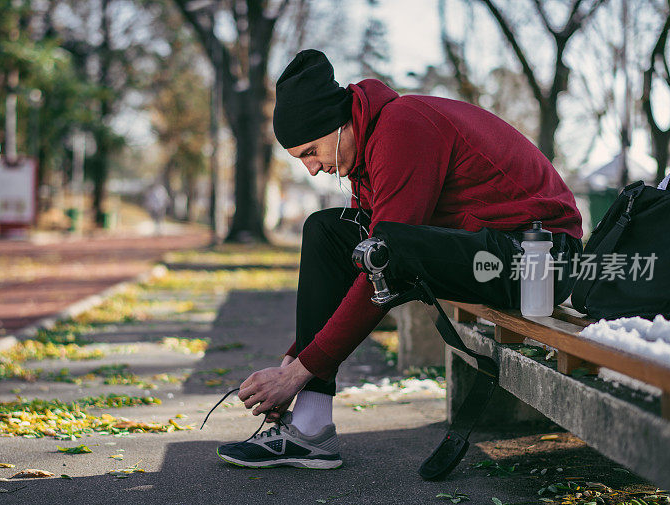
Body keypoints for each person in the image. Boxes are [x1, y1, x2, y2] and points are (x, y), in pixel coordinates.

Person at [215, 50, 583, 470]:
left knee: (384, 247)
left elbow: (383, 267)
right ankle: (311, 429)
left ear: (339, 127)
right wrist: (295, 356)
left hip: (538, 259)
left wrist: (298, 372)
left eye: (311, 152)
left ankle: (309, 419)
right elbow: (358, 266)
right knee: (327, 231)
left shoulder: (403, 127)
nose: (313, 169)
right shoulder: (363, 156)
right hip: (486, 249)